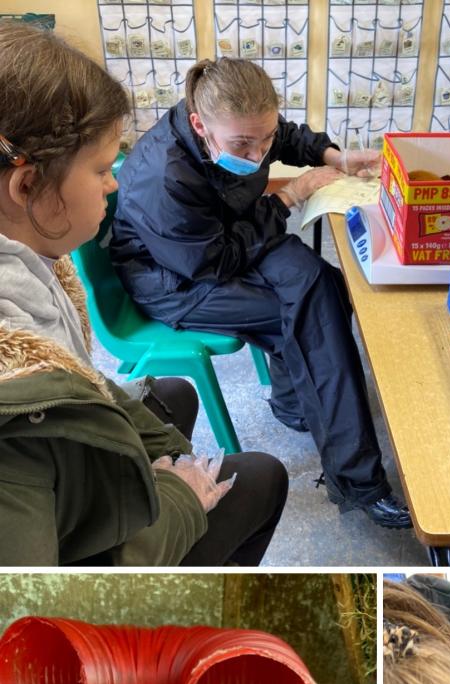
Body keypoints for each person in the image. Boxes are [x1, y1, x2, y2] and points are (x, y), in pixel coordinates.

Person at [0, 23, 287, 566]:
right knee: (259, 475)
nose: (113, 184)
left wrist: (167, 459)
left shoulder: (28, 270)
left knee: (174, 393)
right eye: (103, 169)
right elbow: (45, 595)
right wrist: (180, 498)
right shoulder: (12, 415)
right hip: (73, 557)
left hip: (66, 478)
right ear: (27, 186)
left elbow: (79, 379)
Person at [110, 57, 411, 529]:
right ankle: (359, 481)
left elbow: (286, 136)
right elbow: (215, 262)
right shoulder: (164, 176)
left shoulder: (237, 123)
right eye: (243, 145)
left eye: (262, 140)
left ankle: (295, 403)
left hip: (230, 234)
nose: (257, 154)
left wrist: (335, 157)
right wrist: (289, 197)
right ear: (198, 125)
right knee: (313, 318)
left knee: (322, 281)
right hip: (178, 279)